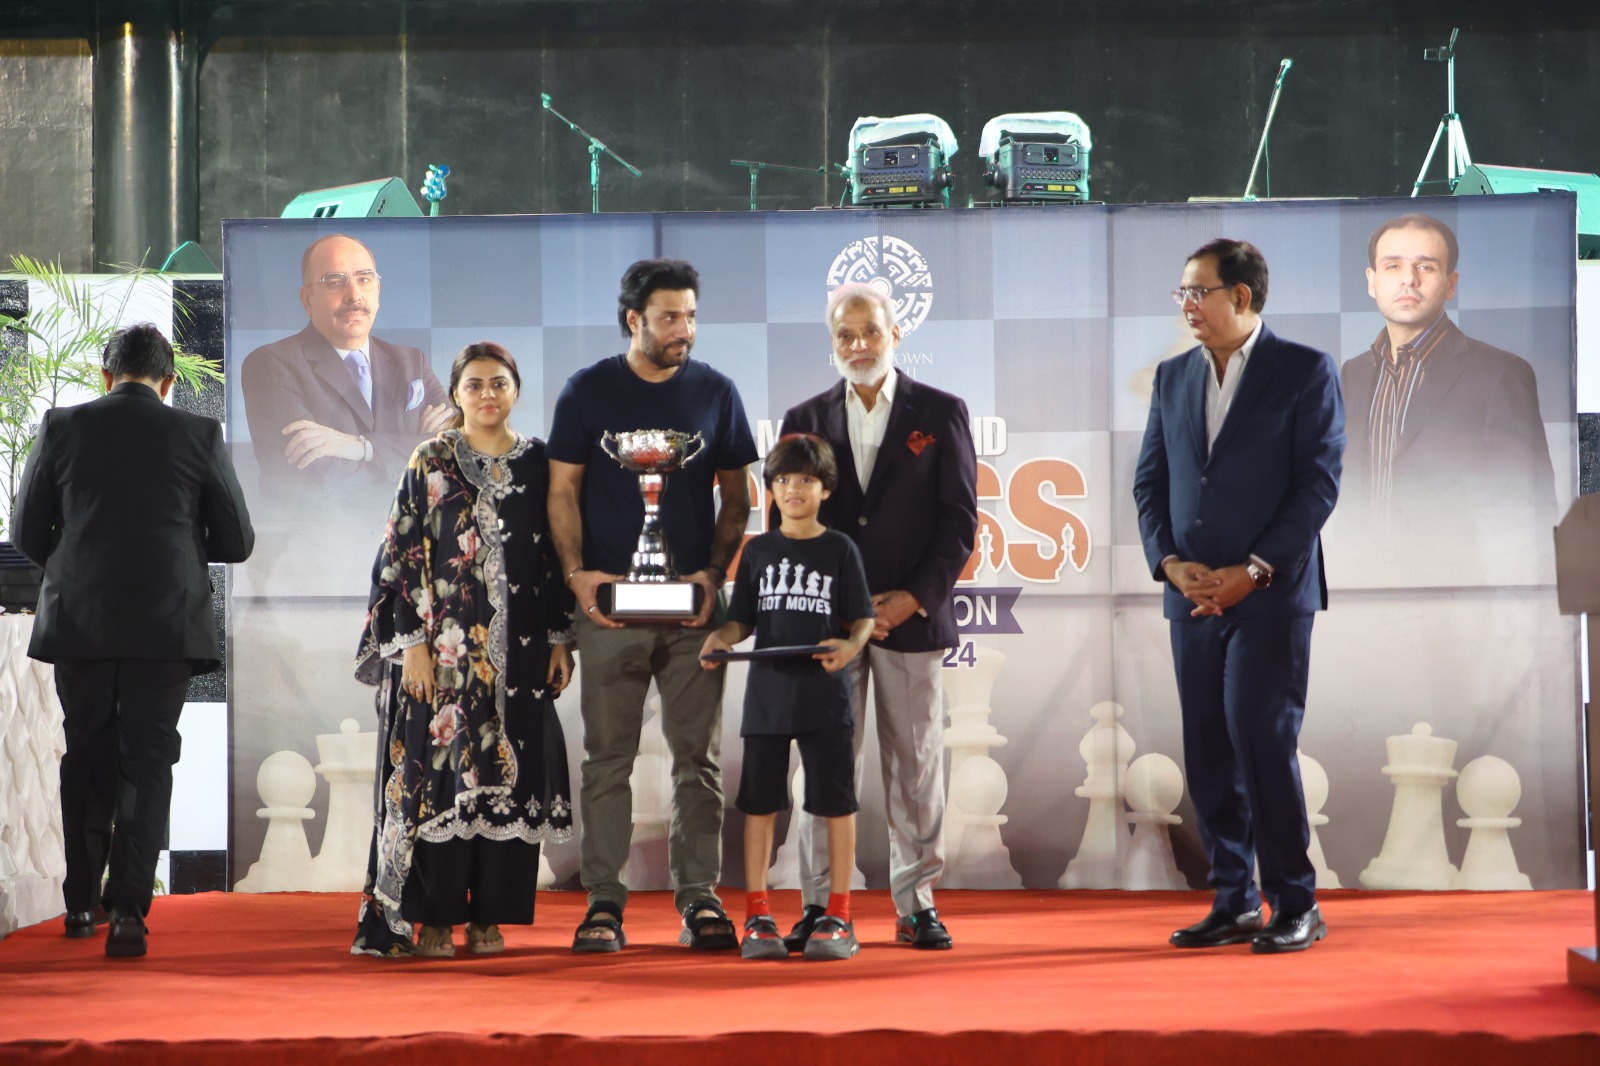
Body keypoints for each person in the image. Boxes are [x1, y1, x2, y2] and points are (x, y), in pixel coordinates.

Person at [11, 323, 255, 958]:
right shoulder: (198, 433)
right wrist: (181, 548)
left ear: (105, 374)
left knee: (86, 754)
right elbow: (237, 542)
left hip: (80, 621)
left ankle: (78, 906)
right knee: (148, 761)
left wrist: (77, 565)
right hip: (166, 625)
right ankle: (127, 913)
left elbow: (27, 531)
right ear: (168, 382)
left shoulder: (61, 426)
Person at [1131, 239, 1344, 955]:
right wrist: (1169, 564)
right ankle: (1234, 900)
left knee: (1262, 741)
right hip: (1190, 596)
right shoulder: (1173, 377)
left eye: (1198, 291)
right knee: (1209, 751)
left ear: (1241, 296)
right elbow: (1150, 483)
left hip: (1270, 596)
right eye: (1183, 293)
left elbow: (1317, 486)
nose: (1187, 305)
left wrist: (1251, 571)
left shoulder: (1304, 370)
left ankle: (1295, 902)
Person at [547, 257, 757, 953]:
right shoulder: (588, 391)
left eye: (691, 316)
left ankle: (699, 898)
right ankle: (603, 902)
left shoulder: (716, 392)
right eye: (669, 317)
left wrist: (713, 575)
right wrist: (576, 576)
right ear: (634, 319)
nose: (683, 330)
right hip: (609, 611)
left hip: (694, 613)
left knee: (697, 760)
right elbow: (562, 490)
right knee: (607, 759)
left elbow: (739, 497)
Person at [349, 341, 575, 959]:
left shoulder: (539, 464)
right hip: (444, 658)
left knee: (510, 774)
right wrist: (414, 648)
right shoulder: (431, 459)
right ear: (455, 394)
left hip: (521, 654)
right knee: (441, 779)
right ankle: (435, 919)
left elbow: (555, 554)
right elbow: (401, 554)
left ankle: (488, 918)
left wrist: (561, 639)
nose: (487, 395)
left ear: (516, 389)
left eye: (498, 383)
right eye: (474, 385)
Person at [778, 282, 978, 953]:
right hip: (829, 627)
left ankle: (917, 903)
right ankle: (819, 904)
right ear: (831, 342)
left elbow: (959, 522)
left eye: (870, 332)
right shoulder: (804, 417)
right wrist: (844, 607)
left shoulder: (941, 412)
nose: (859, 345)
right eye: (845, 334)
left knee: (915, 767)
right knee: (824, 766)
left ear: (896, 334)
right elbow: (790, 524)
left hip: (910, 621)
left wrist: (913, 597)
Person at [700, 434, 876, 962]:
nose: (793, 489)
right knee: (760, 805)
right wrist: (720, 638)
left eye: (805, 480)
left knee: (835, 804)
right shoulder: (758, 550)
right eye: (782, 480)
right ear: (770, 490)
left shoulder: (840, 549)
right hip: (768, 697)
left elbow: (863, 619)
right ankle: (757, 913)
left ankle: (838, 913)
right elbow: (741, 621)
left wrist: (851, 647)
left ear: (825, 489)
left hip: (825, 697)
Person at [1340, 213, 1554, 544]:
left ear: (1450, 283)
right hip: (1362, 573)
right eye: (1393, 266)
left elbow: (1529, 510)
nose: (1408, 279)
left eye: (1425, 266)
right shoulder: (1352, 374)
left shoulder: (1501, 374)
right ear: (1372, 281)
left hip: (1456, 574)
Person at [240, 233, 452, 498]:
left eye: (364, 279)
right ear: (307, 299)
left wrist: (359, 447)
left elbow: (458, 454)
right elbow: (318, 480)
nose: (354, 295)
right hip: (315, 525)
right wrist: (418, 454)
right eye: (335, 281)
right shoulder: (271, 364)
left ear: (377, 290)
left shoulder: (411, 361)